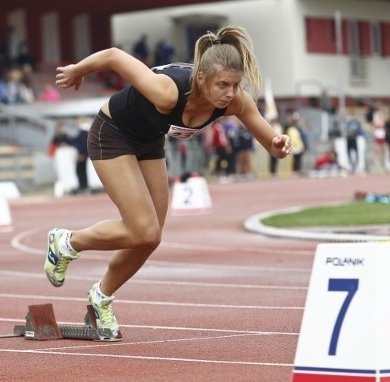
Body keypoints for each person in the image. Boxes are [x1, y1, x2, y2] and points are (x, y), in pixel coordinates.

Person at [45, 26, 291, 340]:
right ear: (202, 78)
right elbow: (114, 56)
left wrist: (279, 144)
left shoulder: (233, 101)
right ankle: (65, 242)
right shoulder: (167, 91)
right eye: (223, 85)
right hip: (112, 133)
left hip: (149, 142)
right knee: (141, 228)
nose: (230, 92)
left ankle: (100, 297)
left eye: (235, 84)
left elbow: (269, 140)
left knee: (150, 238)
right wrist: (78, 70)